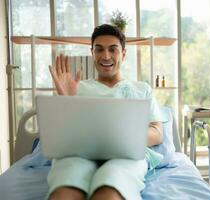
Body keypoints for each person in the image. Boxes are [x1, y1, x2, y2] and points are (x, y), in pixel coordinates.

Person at [47, 24, 164, 200]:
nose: (106, 56)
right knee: (65, 192)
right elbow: (60, 133)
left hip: (126, 155)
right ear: (92, 52)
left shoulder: (142, 89)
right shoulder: (76, 88)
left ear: (123, 54)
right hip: (81, 154)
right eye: (99, 49)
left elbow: (157, 132)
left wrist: (122, 138)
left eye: (113, 50)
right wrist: (66, 100)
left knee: (109, 191)